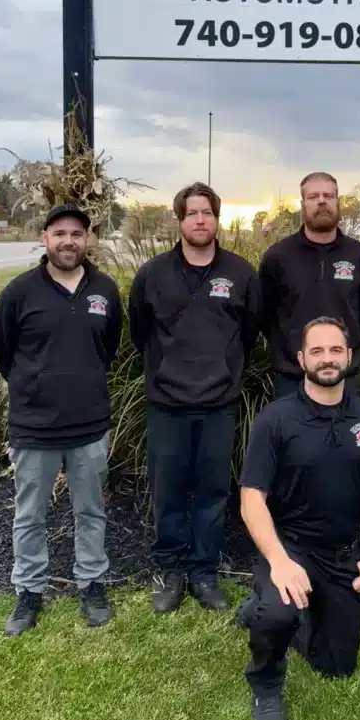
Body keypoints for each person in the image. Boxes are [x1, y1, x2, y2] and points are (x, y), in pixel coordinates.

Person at [238, 316, 360, 720]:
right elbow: (251, 499)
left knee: (336, 667)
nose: (327, 359)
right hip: (290, 548)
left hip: (343, 552)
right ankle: (266, 684)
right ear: (300, 359)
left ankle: (279, 608)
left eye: (335, 350)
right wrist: (278, 562)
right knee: (277, 613)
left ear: (349, 355)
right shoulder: (276, 421)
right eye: (317, 351)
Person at [0, 204, 123, 636]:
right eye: (60, 233)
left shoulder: (105, 289)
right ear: (44, 238)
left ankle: (91, 583)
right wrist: (36, 383)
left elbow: (110, 346)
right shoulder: (19, 292)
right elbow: (1, 350)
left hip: (88, 426)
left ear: (88, 240)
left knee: (91, 510)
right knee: (30, 515)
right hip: (34, 427)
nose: (69, 241)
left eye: (77, 234)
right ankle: (29, 592)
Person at [128, 182, 261, 613]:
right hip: (167, 404)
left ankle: (204, 572)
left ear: (217, 219)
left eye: (207, 212)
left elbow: (250, 331)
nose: (200, 220)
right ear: (179, 219)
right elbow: (139, 332)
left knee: (211, 492)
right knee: (168, 491)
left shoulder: (240, 274)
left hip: (218, 404)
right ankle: (171, 571)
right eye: (192, 213)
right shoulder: (152, 274)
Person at [259, 171, 360, 399]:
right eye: (314, 196)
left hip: (346, 379)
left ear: (338, 202)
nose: (322, 201)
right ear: (303, 204)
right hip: (292, 379)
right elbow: (265, 316)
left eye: (328, 195)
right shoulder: (278, 257)